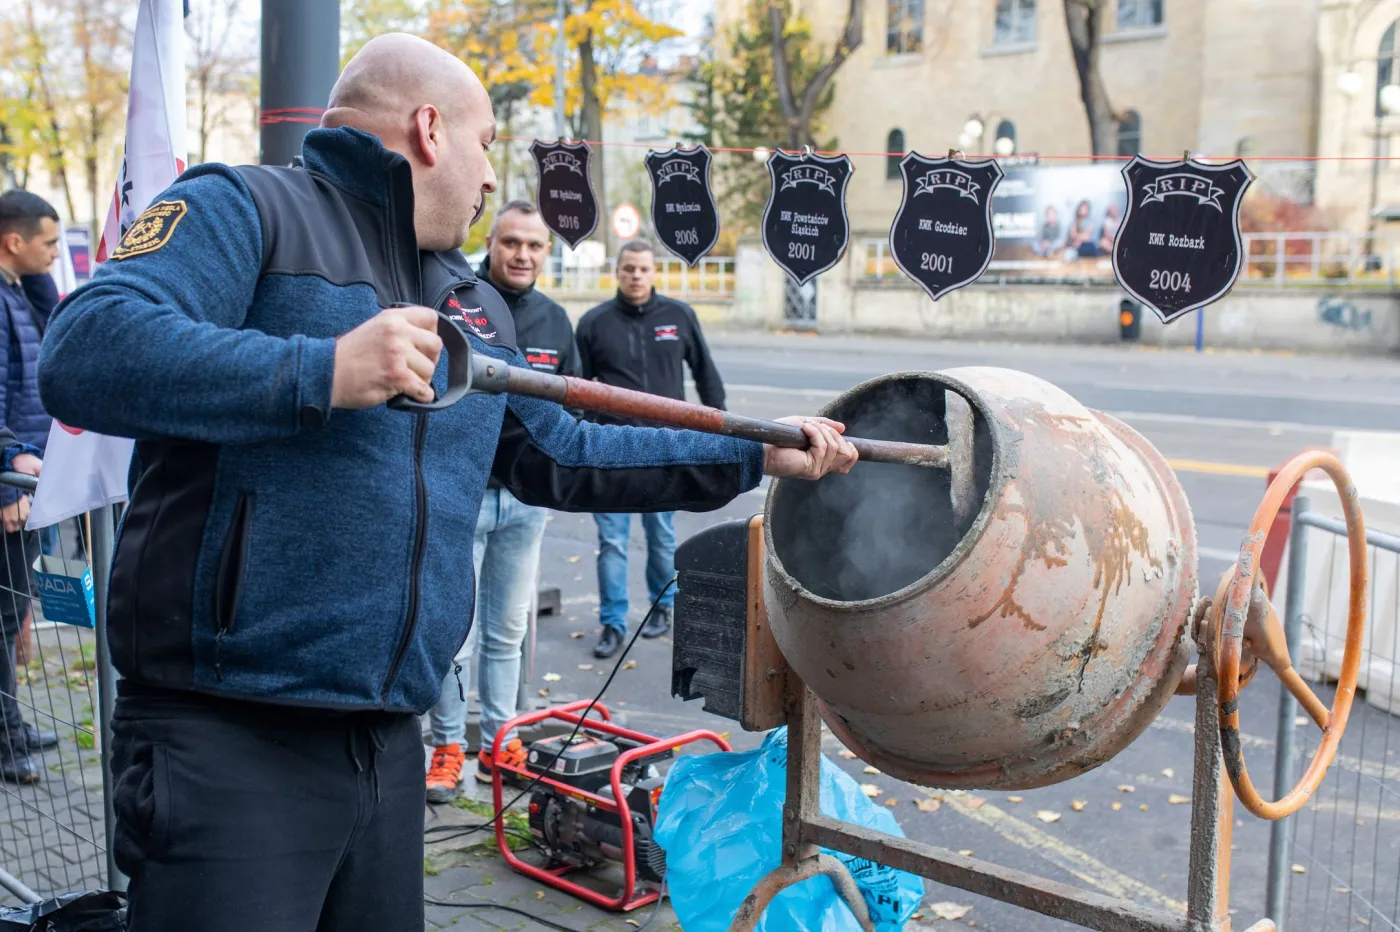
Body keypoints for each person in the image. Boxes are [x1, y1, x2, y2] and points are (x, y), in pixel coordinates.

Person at [37, 34, 857, 932]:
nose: (490, 170)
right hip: (230, 740)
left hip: (388, 744)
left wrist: (753, 457)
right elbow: (87, 351)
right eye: (488, 140)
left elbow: (563, 453)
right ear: (429, 129)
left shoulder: (469, 298)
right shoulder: (244, 208)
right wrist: (323, 370)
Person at [425, 199, 579, 802]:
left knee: (507, 631)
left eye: (534, 245)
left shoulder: (555, 319)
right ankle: (446, 747)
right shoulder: (457, 302)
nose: (522, 254)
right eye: (511, 242)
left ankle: (499, 743)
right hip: (461, 496)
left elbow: (570, 410)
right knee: (452, 633)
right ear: (492, 245)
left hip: (524, 505)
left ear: (546, 253)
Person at [575, 240, 727, 659]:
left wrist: (721, 427)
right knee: (612, 542)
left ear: (654, 271)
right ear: (618, 272)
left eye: (643, 269)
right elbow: (577, 390)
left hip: (665, 449)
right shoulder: (593, 323)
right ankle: (612, 622)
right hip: (610, 452)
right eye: (628, 269)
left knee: (661, 537)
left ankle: (662, 607)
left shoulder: (679, 317)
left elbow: (705, 374)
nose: (636, 276)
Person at [0, 189, 62, 785]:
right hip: (10, 485)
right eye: (47, 243)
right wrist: (7, 489)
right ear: (13, 240)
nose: (55, 253)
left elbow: (56, 328)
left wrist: (38, 279)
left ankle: (11, 725)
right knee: (1, 617)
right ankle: (3, 740)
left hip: (27, 474)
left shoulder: (18, 289)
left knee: (12, 610)